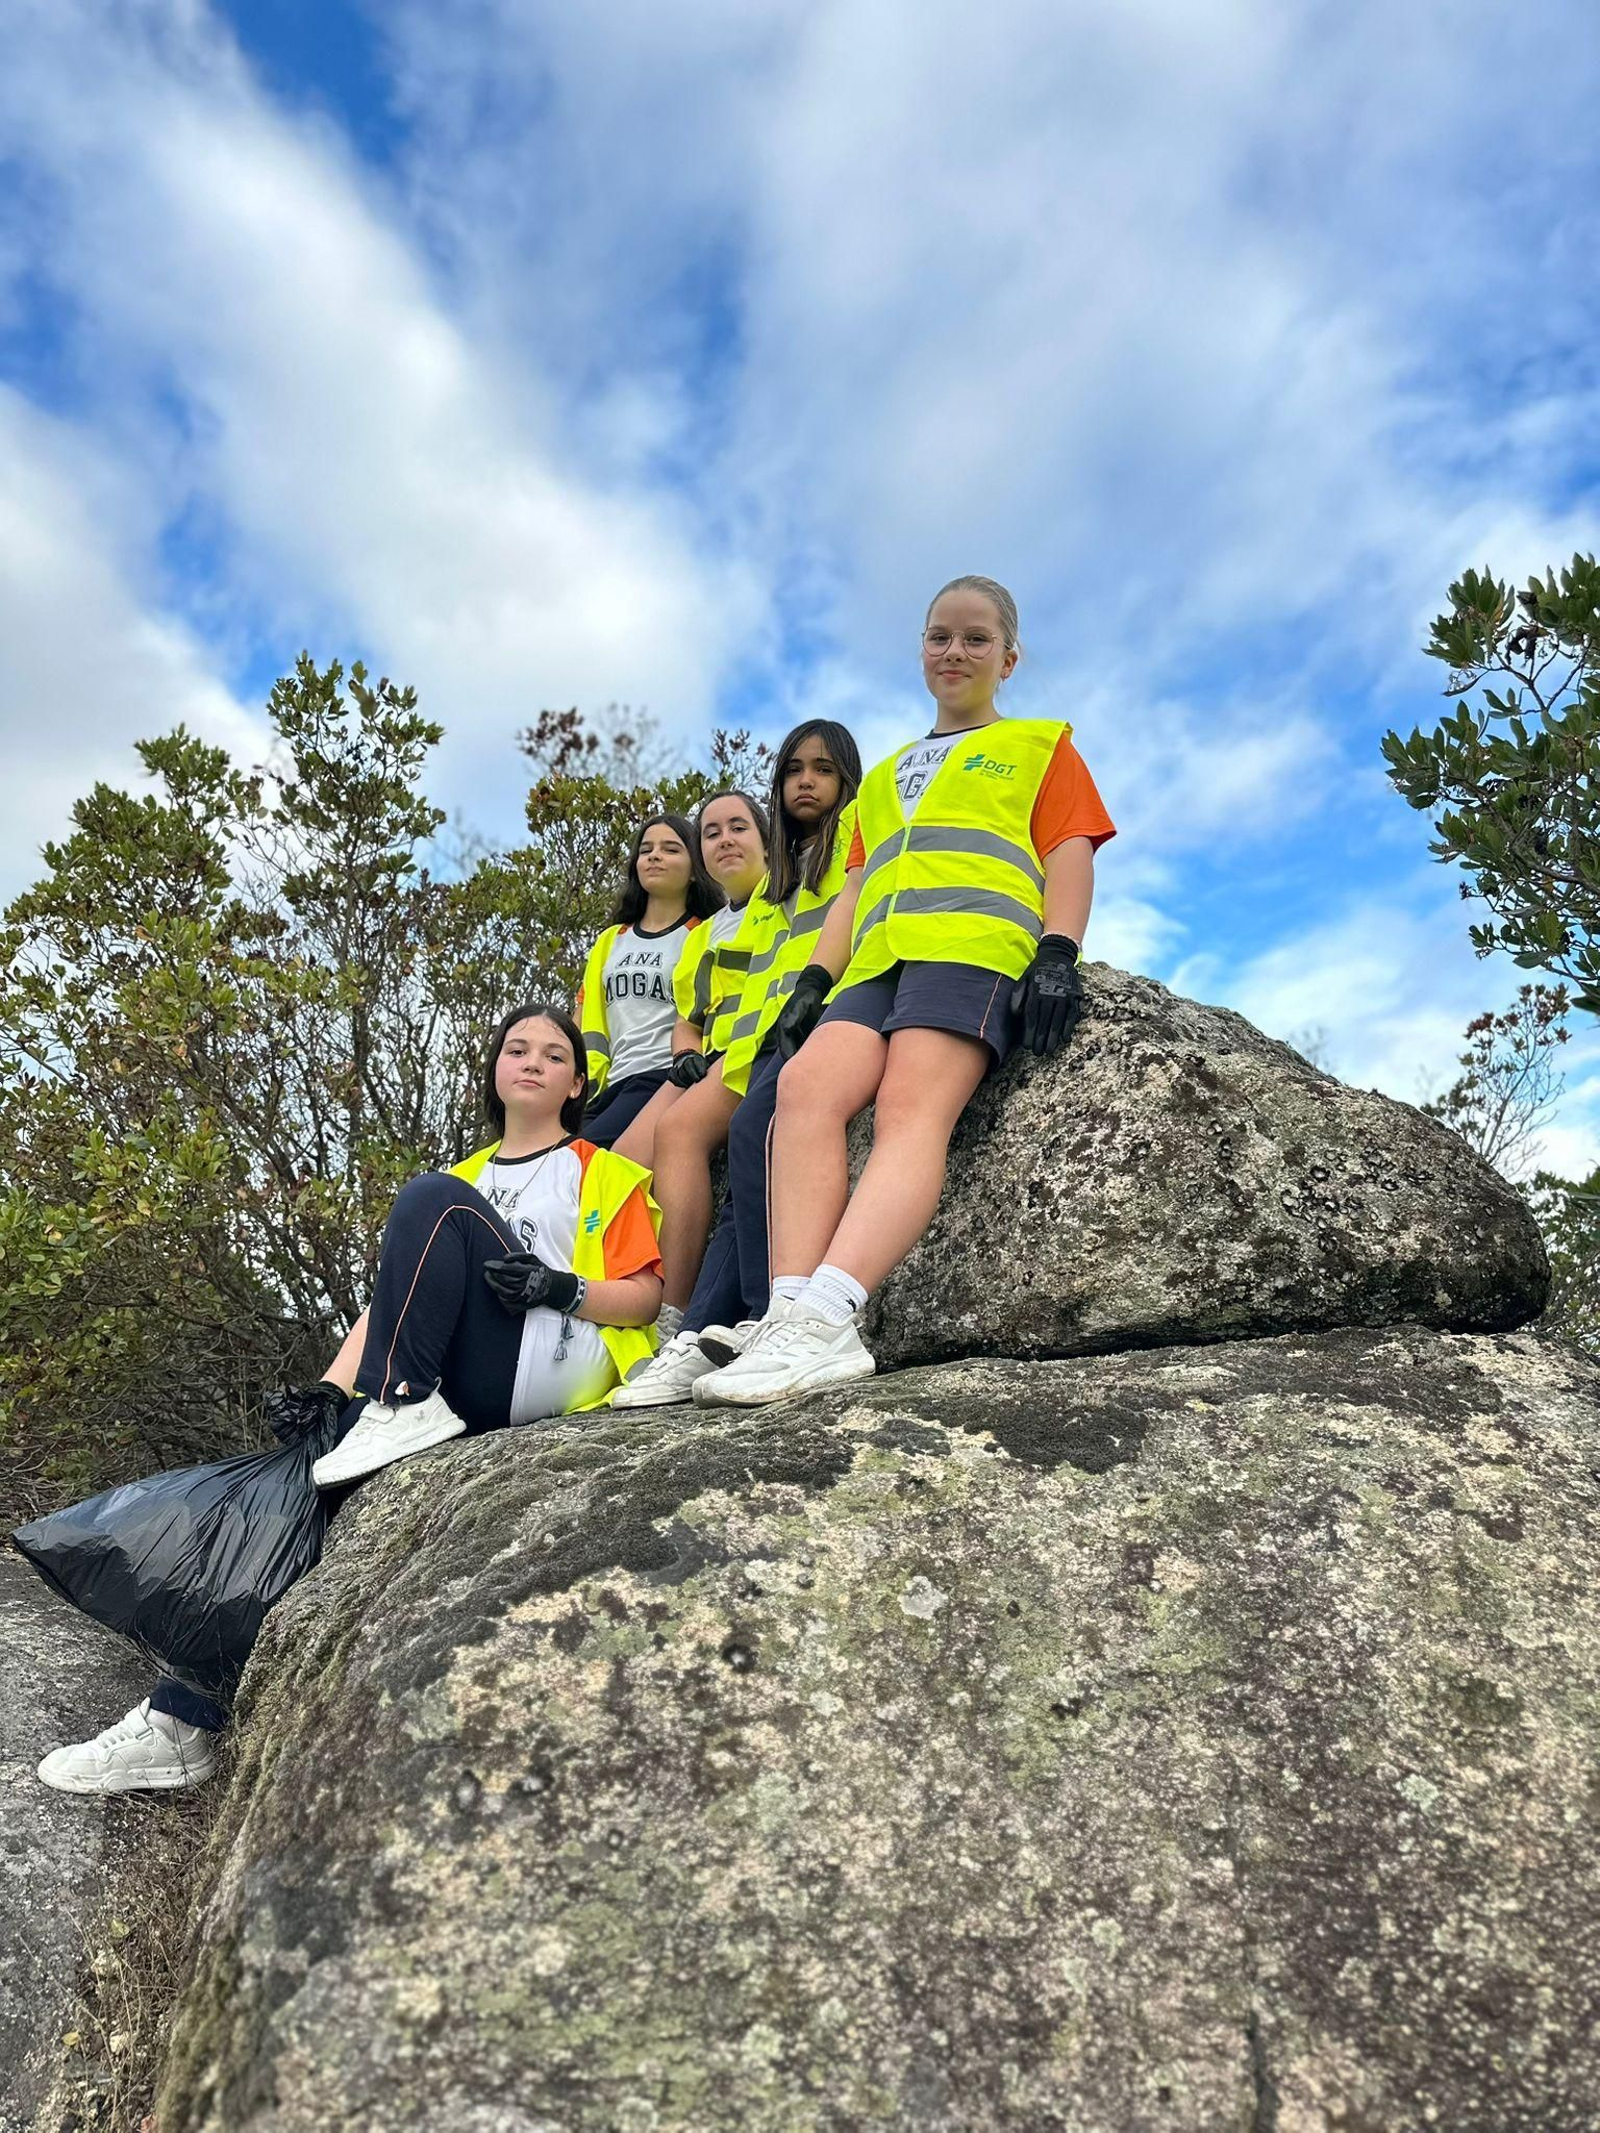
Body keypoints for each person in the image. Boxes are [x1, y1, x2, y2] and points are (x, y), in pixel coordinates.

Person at [36, 1004, 661, 1795]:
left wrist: (562, 1285)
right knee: (306, 1499)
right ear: (496, 1069)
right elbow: (388, 1310)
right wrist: (329, 1391)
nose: (532, 1061)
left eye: (553, 1052)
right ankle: (181, 1721)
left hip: (545, 1362)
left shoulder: (602, 1173)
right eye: (515, 1047)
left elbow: (643, 1296)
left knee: (431, 1197)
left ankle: (404, 1400)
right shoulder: (460, 1181)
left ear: (578, 1081)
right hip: (449, 1380)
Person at [694, 574, 1115, 1407]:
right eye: (938, 636)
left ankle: (831, 1314)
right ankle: (786, 1313)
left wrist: (1059, 948)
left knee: (909, 1111)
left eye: (975, 638)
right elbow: (853, 889)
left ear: (1010, 657)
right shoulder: (881, 779)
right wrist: (815, 976)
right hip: (873, 963)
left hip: (971, 948)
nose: (954, 651)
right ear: (920, 651)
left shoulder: (1039, 744)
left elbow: (1069, 846)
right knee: (803, 1094)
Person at [613, 723, 862, 1409]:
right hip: (754, 1048)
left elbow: (850, 919)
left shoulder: (849, 845)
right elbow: (722, 997)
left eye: (823, 769)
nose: (806, 782)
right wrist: (699, 1051)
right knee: (726, 1169)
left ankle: (759, 1314)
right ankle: (696, 1331)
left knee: (752, 1135)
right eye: (793, 771)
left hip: (820, 1022)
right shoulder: (772, 886)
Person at [608, 788, 771, 1169]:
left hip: (756, 1051)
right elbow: (687, 1020)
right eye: (712, 833)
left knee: (678, 1133)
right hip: (707, 1060)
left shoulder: (786, 898)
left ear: (767, 843)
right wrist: (685, 1055)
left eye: (738, 827)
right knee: (619, 1163)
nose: (725, 839)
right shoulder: (703, 935)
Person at [579, 814, 722, 1150]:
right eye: (646, 850)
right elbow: (582, 1014)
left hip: (663, 1076)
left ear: (694, 868)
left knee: (584, 1159)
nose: (654, 856)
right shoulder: (610, 940)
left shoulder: (704, 934)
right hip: (607, 1086)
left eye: (670, 849)